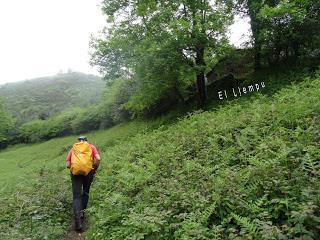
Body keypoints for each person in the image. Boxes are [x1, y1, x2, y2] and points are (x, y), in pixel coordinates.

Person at [66, 136, 101, 231]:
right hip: (89, 172)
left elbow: (68, 164)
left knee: (76, 196)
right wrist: (94, 169)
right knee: (85, 192)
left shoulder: (74, 148)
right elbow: (98, 159)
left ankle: (77, 221)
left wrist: (73, 170)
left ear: (78, 141)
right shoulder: (91, 147)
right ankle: (82, 215)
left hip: (75, 174)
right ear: (86, 141)